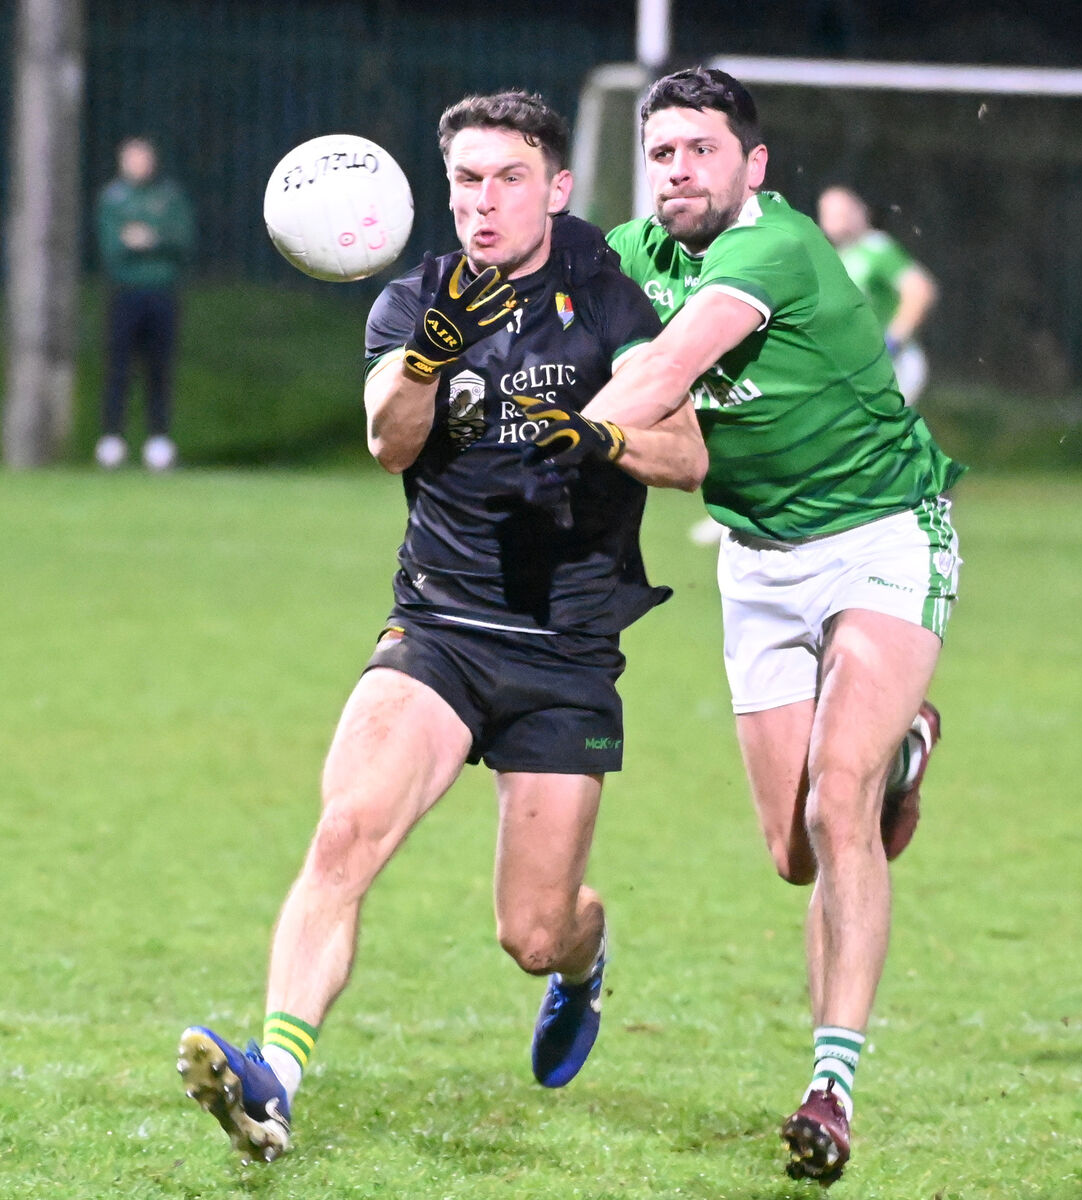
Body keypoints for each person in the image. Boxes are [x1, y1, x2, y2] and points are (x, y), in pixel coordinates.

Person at [175, 90, 707, 1164]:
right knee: (343, 837)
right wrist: (426, 359)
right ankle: (273, 1078)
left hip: (565, 652)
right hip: (439, 631)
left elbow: (690, 456)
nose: (484, 201)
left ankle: (581, 960)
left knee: (531, 932)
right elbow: (387, 441)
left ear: (556, 188)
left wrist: (597, 437)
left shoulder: (610, 297)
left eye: (509, 178)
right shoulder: (417, 300)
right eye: (466, 179)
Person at [523, 67, 964, 1185]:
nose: (679, 170)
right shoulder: (633, 250)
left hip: (881, 537)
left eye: (701, 151)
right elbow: (537, 293)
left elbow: (669, 367)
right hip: (759, 564)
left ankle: (832, 1084)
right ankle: (908, 747)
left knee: (841, 801)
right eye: (662, 152)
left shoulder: (773, 248)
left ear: (751, 166)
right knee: (792, 851)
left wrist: (566, 434)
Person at [94, 136, 194, 472]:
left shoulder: (169, 197)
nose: (139, 164)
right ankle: (112, 438)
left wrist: (150, 239)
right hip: (125, 293)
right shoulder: (113, 199)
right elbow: (113, 249)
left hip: (162, 293)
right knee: (119, 366)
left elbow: (181, 241)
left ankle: (159, 439)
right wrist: (147, 242)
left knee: (160, 367)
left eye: (144, 157)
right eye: (133, 158)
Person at [817, 185, 937, 407]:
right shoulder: (836, 258)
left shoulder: (877, 249)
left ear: (860, 212)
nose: (835, 221)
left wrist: (893, 340)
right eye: (829, 214)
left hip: (892, 365)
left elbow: (920, 290)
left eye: (842, 213)